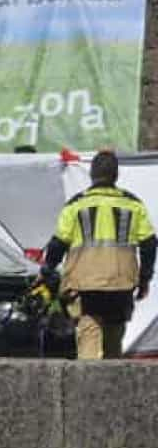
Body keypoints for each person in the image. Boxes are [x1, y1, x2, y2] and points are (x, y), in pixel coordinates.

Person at [43, 150, 157, 359]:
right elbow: (149, 244)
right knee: (114, 340)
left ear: (92, 174)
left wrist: (48, 268)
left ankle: (88, 389)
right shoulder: (133, 204)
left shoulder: (76, 205)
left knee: (89, 338)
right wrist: (144, 279)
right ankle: (115, 388)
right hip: (121, 284)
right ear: (116, 175)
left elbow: (58, 243)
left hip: (84, 285)